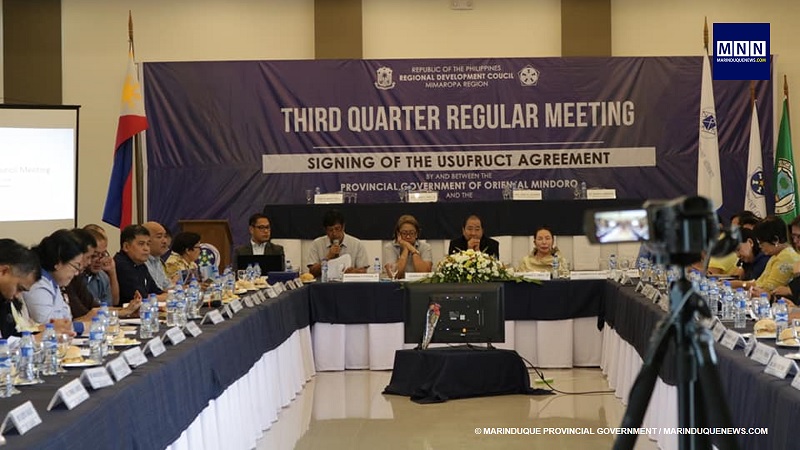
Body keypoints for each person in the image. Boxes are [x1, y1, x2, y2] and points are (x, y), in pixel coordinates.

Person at [23, 230, 95, 335]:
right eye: (76, 266)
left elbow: (67, 318)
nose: (76, 273)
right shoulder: (37, 284)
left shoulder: (53, 282)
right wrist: (82, 326)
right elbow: (50, 325)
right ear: (58, 262)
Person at [0, 239, 74, 339]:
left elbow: (10, 336)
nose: (18, 295)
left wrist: (46, 331)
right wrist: (37, 338)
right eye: (19, 288)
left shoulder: (4, 298)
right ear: (3, 271)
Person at [306, 209, 369, 278]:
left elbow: (364, 271)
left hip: (348, 283)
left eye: (337, 229)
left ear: (343, 227)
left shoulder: (357, 244)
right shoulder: (317, 244)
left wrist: (353, 272)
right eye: (330, 230)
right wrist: (327, 258)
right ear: (325, 230)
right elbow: (312, 272)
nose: (334, 233)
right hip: (324, 283)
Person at [748, 216, 800, 294]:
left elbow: (769, 288)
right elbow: (759, 283)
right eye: (793, 237)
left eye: (761, 243)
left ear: (775, 240)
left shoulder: (786, 257)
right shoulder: (776, 255)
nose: (795, 241)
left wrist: (741, 284)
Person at [115, 225, 166, 302]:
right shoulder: (121, 265)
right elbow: (141, 298)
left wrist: (165, 296)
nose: (146, 249)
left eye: (148, 244)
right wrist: (168, 296)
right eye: (141, 244)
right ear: (126, 247)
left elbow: (156, 291)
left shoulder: (140, 265)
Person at [382, 215, 432, 279]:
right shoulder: (390, 247)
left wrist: (412, 250)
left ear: (416, 234)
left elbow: (425, 274)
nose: (408, 236)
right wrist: (406, 248)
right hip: (396, 284)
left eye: (411, 233)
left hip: (419, 284)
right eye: (404, 233)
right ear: (398, 234)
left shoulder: (425, 247)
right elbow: (394, 275)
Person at [143, 221, 172, 290]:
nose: (165, 241)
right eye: (159, 237)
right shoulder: (141, 261)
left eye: (165, 236)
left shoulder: (157, 260)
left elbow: (166, 286)